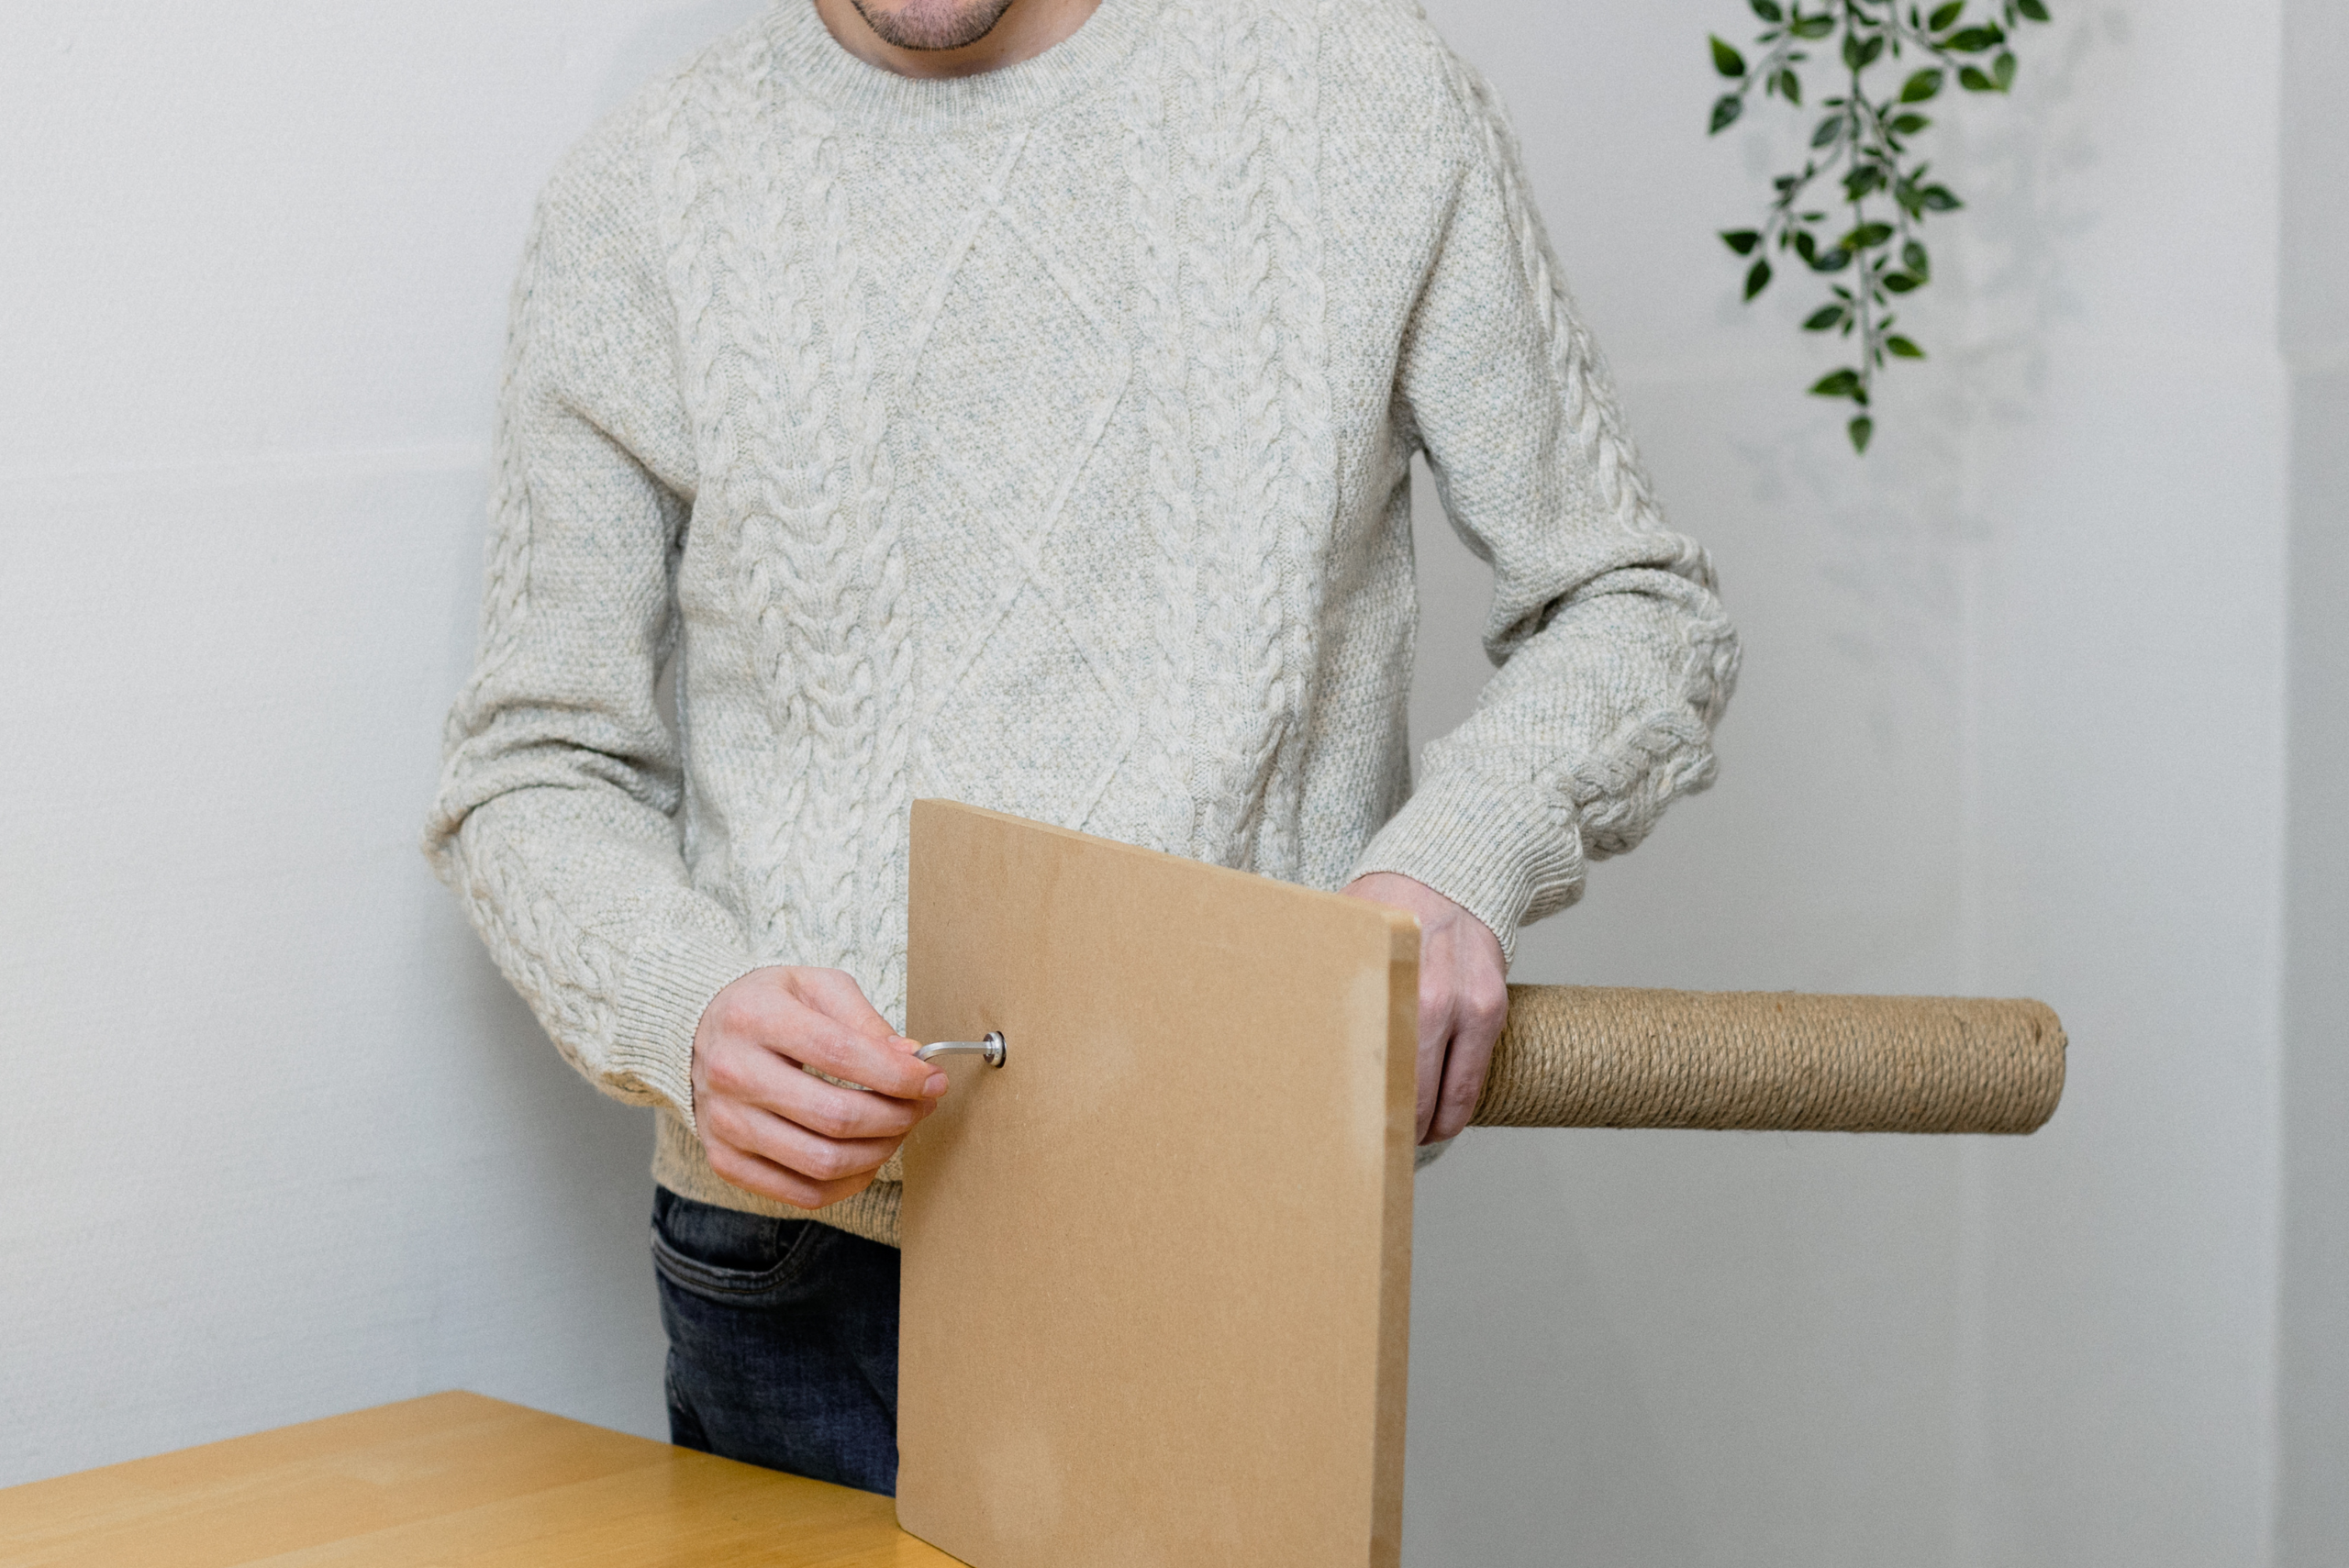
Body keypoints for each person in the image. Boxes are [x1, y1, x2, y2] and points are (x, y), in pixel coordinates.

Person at [426, 0, 1738, 1497]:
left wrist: (1457, 863)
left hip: (1234, 1206)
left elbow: (1634, 606)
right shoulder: (639, 197)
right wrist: (689, 1005)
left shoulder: (1364, 94)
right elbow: (533, 767)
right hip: (799, 1260)